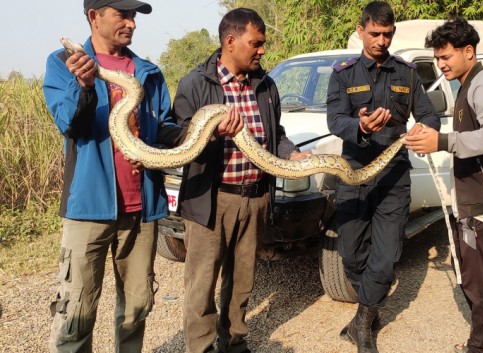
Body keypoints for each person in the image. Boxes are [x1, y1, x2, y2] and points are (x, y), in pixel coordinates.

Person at [43, 1, 182, 352]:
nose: (131, 23)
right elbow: (70, 124)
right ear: (94, 16)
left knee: (136, 309)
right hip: (88, 206)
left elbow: (163, 127)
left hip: (142, 208)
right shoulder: (63, 65)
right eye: (122, 14)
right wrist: (85, 86)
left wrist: (199, 131)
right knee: (76, 312)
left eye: (134, 16)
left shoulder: (147, 71)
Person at [172, 8, 309, 353]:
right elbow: (174, 137)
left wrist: (290, 153)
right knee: (201, 283)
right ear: (230, 42)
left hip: (256, 196)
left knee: (243, 280)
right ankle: (201, 347)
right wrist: (210, 133)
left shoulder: (265, 84)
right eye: (256, 43)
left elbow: (274, 132)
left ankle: (233, 341)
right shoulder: (196, 83)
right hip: (212, 199)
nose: (262, 50)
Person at [326, 2, 440, 352]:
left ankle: (362, 326)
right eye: (374, 33)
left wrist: (425, 130)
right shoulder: (343, 73)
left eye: (387, 34)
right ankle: (369, 306)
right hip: (354, 172)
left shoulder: (406, 72)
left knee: (387, 256)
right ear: (361, 31)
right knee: (351, 254)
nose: (380, 40)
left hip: (393, 176)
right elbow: (334, 119)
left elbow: (429, 115)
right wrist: (358, 125)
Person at [404, 17, 483, 353]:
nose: (441, 65)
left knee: (477, 279)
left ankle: (481, 347)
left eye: (446, 57)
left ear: (468, 52)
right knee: (472, 272)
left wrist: (442, 141)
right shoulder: (468, 86)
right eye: (438, 59)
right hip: (477, 196)